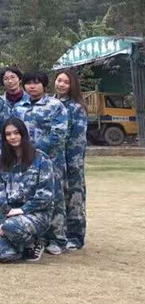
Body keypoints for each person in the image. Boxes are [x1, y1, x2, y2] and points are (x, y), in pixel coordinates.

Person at [13, 71, 69, 255]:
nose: (32, 86)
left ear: (44, 85)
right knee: (32, 198)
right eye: (28, 83)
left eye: (36, 83)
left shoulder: (55, 106)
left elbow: (58, 135)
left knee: (55, 198)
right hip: (25, 163)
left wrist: (36, 154)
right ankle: (38, 237)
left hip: (50, 162)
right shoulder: (18, 108)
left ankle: (58, 238)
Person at [0, 119, 55, 263]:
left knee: (11, 227)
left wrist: (23, 210)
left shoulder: (41, 159)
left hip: (36, 213)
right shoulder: (0, 162)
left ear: (23, 134)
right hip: (9, 215)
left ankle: (33, 243)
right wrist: (3, 220)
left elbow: (46, 195)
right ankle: (22, 245)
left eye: (16, 133)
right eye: (8, 134)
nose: (12, 137)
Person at [54, 69, 88, 250]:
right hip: (54, 161)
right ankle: (58, 234)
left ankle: (75, 236)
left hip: (71, 160)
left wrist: (73, 164)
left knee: (74, 197)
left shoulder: (76, 108)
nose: (61, 84)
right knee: (57, 198)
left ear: (72, 86)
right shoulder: (50, 103)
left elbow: (78, 139)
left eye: (66, 82)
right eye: (59, 80)